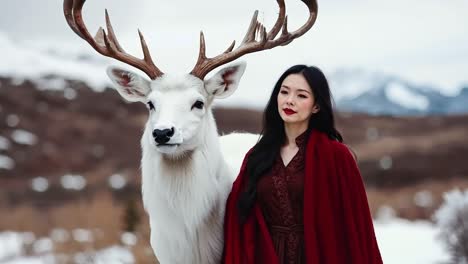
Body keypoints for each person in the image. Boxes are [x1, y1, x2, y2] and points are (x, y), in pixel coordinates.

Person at [222, 65, 383, 263]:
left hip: (319, 255)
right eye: (284, 92)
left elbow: (356, 228)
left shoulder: (338, 157)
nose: (290, 100)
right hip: (267, 255)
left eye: (301, 95)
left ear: (316, 106)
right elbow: (238, 217)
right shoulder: (257, 155)